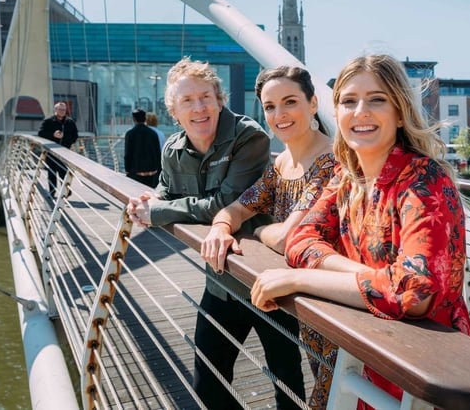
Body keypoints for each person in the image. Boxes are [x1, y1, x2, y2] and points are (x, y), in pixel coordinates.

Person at [250, 54, 470, 410]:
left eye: (377, 100)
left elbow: (414, 294)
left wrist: (299, 280)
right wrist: (374, 277)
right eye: (348, 101)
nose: (360, 111)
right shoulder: (346, 178)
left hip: (425, 372)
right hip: (365, 356)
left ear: (400, 112)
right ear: (336, 113)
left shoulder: (423, 180)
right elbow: (299, 240)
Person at [125, 58, 305, 410]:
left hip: (267, 282)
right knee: (207, 382)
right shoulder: (173, 150)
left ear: (220, 99)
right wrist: (151, 201)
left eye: (205, 96)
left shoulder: (248, 136)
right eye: (187, 101)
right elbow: (166, 191)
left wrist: (159, 212)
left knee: (288, 386)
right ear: (173, 112)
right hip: (220, 281)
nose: (199, 108)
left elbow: (226, 203)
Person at [200, 66, 335, 409]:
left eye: (290, 101)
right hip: (303, 301)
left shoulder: (331, 160)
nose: (280, 114)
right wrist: (219, 229)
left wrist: (256, 229)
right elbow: (235, 209)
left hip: (332, 302)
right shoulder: (281, 164)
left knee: (333, 393)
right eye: (270, 106)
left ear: (314, 103)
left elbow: (291, 236)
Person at [38, 101, 78, 197]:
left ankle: (66, 191)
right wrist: (53, 135)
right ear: (55, 110)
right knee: (52, 172)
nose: (62, 111)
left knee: (63, 172)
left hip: (65, 151)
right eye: (60, 109)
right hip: (50, 151)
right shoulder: (48, 121)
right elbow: (40, 133)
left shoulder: (70, 122)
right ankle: (52, 192)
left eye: (64, 110)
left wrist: (64, 138)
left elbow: (75, 136)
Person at [124, 108, 162, 188]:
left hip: (136, 173)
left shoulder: (130, 134)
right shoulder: (153, 133)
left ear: (134, 119)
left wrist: (128, 170)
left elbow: (128, 154)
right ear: (145, 118)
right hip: (152, 173)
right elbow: (158, 153)